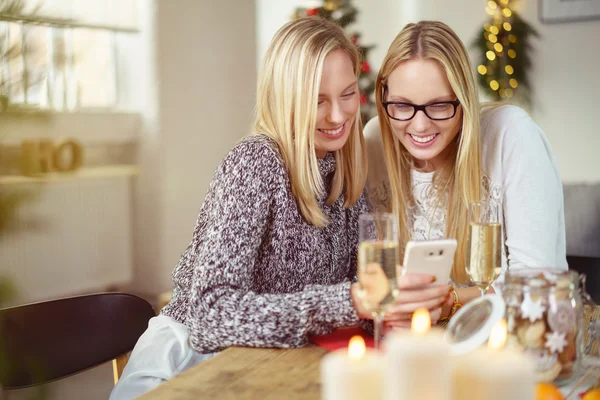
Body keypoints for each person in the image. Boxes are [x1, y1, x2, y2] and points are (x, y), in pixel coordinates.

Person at [110, 17, 451, 399]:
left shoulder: (345, 168)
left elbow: (365, 290)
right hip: (189, 363)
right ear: (286, 98)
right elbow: (210, 314)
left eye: (348, 93)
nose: (338, 116)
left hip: (272, 365)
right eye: (318, 100)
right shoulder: (256, 163)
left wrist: (394, 306)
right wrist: (352, 301)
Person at [363, 21, 568, 330]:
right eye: (403, 105)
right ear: (384, 96)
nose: (419, 127)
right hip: (414, 345)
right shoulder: (376, 139)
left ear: (464, 99)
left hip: (511, 342)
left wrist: (450, 302)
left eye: (440, 105)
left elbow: (535, 285)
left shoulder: (512, 135)